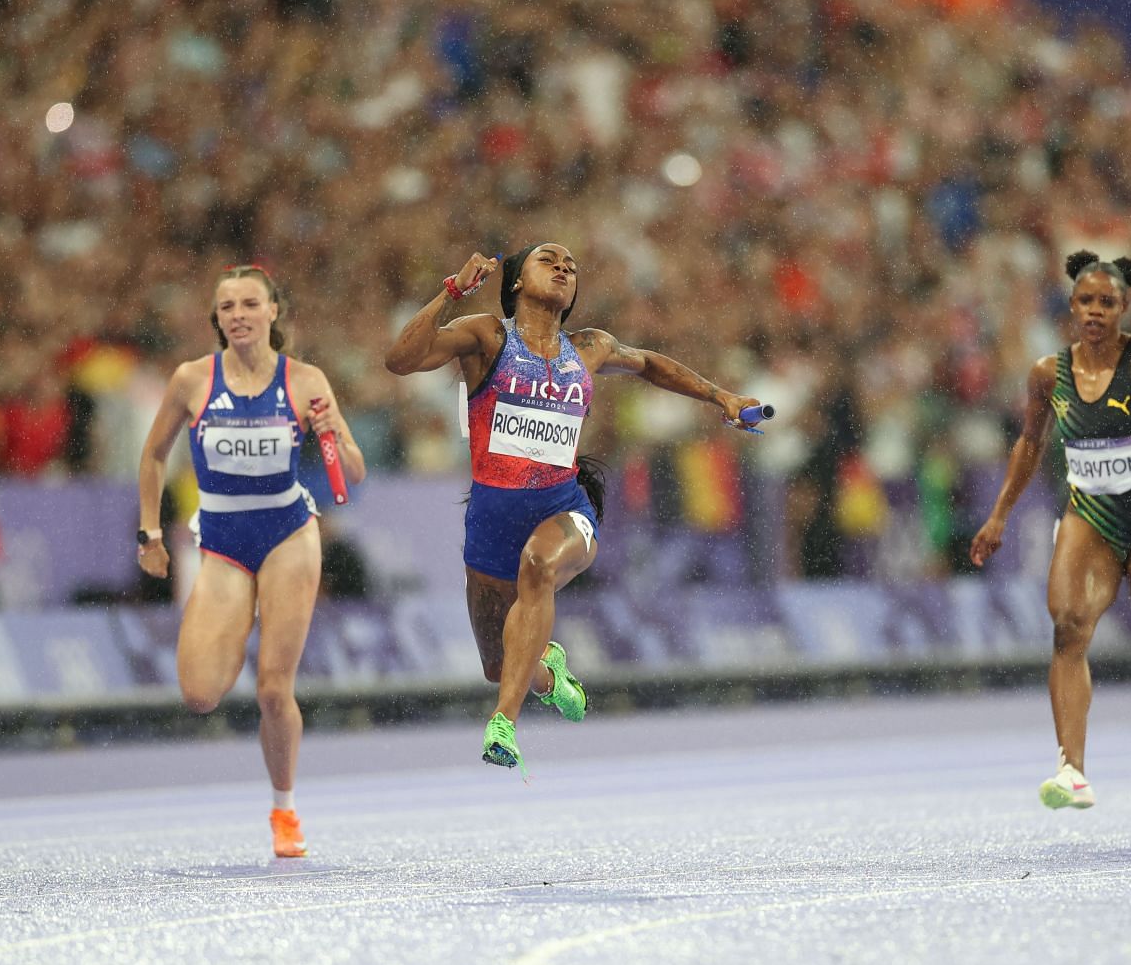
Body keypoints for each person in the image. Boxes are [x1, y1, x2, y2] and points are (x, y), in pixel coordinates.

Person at [384, 243, 759, 771]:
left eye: (571, 266)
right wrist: (453, 290)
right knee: (501, 664)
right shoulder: (486, 335)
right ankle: (549, 675)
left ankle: (503, 725)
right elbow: (400, 361)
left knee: (538, 566)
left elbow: (649, 363)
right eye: (548, 259)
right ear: (515, 282)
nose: (563, 267)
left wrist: (722, 398)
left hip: (565, 508)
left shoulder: (588, 348)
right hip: (491, 521)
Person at [969, 251, 1131, 809]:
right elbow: (1029, 445)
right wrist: (999, 514)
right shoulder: (1047, 375)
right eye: (1086, 301)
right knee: (1067, 626)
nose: (1096, 311)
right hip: (1087, 512)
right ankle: (1071, 771)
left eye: (1107, 302)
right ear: (1072, 306)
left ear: (1124, 308)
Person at [135, 263, 365, 858]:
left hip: (288, 533)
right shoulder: (192, 379)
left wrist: (332, 432)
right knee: (199, 693)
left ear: (272, 312)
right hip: (222, 538)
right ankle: (233, 627)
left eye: (248, 304)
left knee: (271, 691)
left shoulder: (305, 380)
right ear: (217, 319)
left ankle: (284, 809)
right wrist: (150, 534)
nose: (237, 314)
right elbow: (154, 456)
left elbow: (351, 479)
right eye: (227, 306)